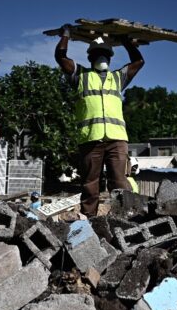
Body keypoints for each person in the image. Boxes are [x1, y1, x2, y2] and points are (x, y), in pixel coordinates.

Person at [55, 25, 145, 216]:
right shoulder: (81, 76)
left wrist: (127, 42)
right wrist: (66, 35)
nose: (101, 57)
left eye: (105, 54)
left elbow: (139, 61)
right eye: (97, 54)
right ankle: (89, 220)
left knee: (120, 182)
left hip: (117, 139)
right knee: (90, 184)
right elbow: (61, 58)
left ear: (111, 58)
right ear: (89, 58)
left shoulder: (117, 78)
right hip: (90, 139)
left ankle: (125, 218)